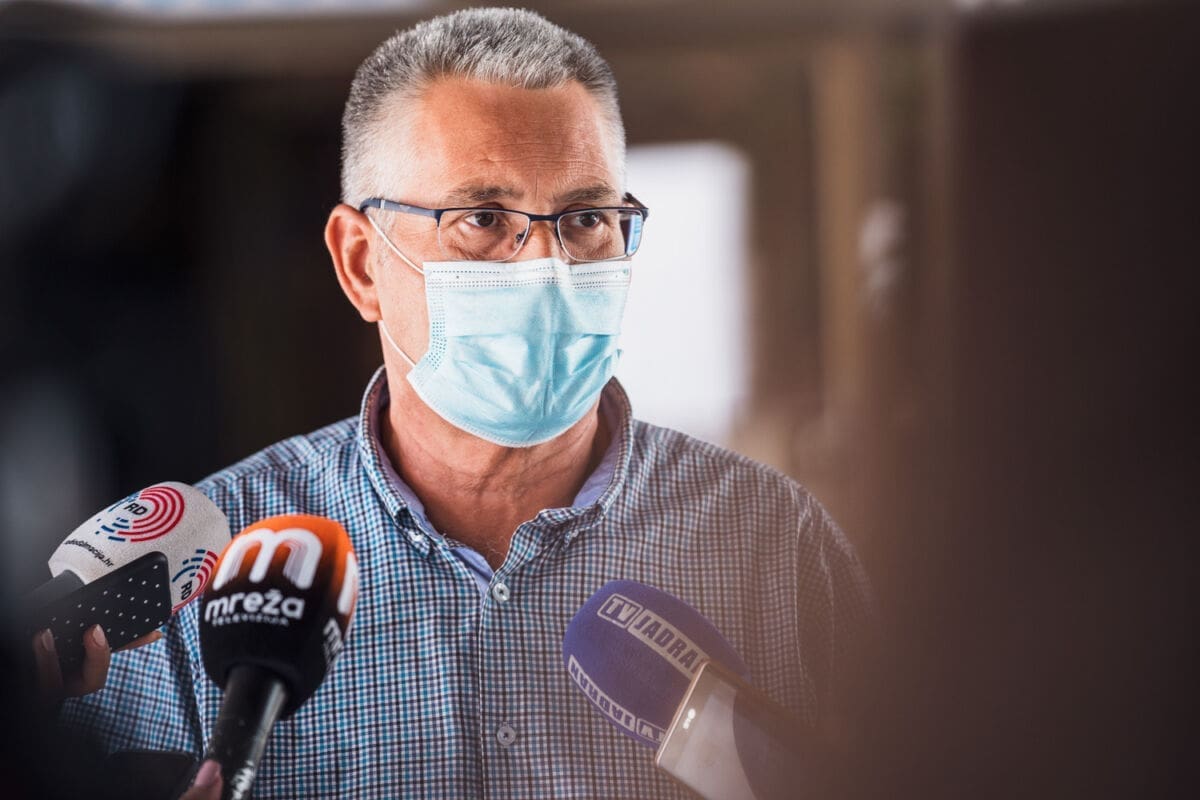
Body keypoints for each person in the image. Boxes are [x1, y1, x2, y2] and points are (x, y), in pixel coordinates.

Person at [44, 8, 872, 798]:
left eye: (586, 217)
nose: (546, 267)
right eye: (482, 217)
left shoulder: (776, 546)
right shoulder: (205, 577)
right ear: (361, 263)